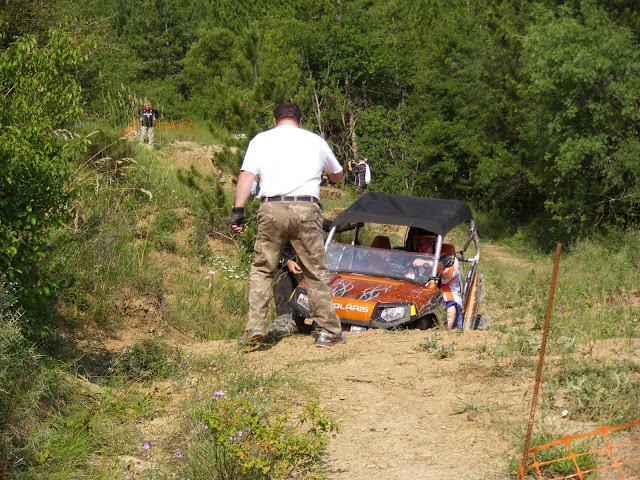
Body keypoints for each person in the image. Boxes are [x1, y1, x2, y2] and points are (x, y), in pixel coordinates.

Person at [230, 102, 346, 348]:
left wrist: (237, 211)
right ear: (299, 121)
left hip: (271, 208)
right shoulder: (315, 141)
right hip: (306, 208)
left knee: (263, 268)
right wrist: (326, 175)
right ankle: (328, 331)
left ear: (275, 121)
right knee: (315, 270)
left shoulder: (260, 140)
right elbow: (337, 175)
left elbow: (246, 176)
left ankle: (254, 327)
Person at [405, 227, 463, 330]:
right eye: (418, 242)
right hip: (422, 292)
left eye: (427, 242)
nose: (422, 247)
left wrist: (429, 265)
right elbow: (408, 278)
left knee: (451, 308)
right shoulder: (414, 259)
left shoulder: (448, 259)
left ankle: (446, 330)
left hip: (445, 292)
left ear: (436, 244)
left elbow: (450, 273)